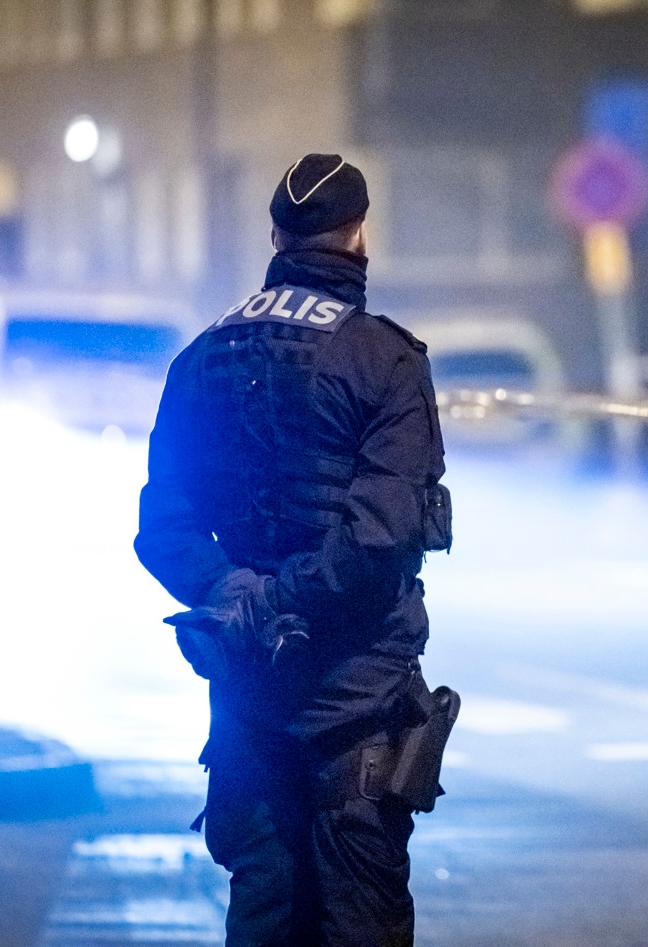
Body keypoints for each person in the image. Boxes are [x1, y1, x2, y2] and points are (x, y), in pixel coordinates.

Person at [135, 154, 453, 946]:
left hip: (248, 695)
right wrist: (284, 602)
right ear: (360, 236)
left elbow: (163, 526)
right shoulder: (385, 360)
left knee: (263, 912)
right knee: (358, 922)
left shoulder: (202, 357)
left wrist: (234, 591)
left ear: (276, 234)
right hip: (356, 705)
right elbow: (377, 539)